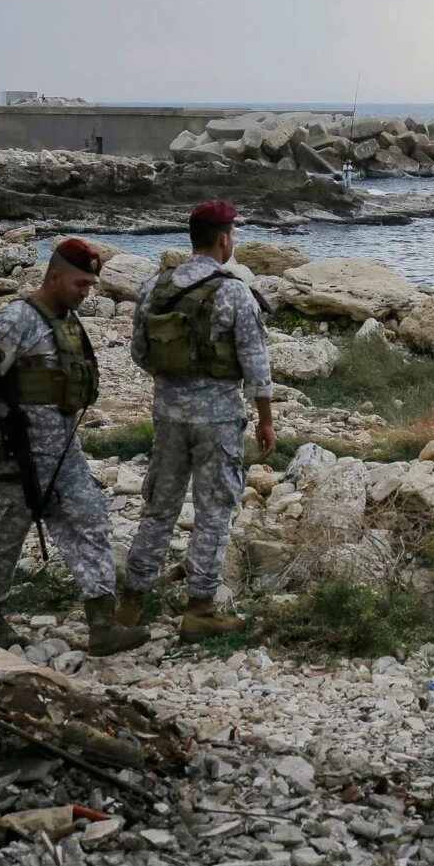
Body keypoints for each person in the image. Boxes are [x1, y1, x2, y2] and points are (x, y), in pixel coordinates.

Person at [0, 238, 150, 656]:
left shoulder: (67, 323)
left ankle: (102, 623)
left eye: (91, 285)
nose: (87, 292)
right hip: (16, 451)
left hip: (62, 451)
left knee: (89, 519)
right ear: (54, 276)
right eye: (81, 284)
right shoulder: (16, 321)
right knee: (2, 533)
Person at [118, 201, 274, 640]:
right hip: (219, 419)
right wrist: (265, 420)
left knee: (158, 509)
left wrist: (175, 384)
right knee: (214, 510)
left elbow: (140, 353)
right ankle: (201, 608)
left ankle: (131, 603)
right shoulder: (235, 291)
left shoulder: (155, 288)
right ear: (224, 239)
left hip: (168, 415)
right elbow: (256, 366)